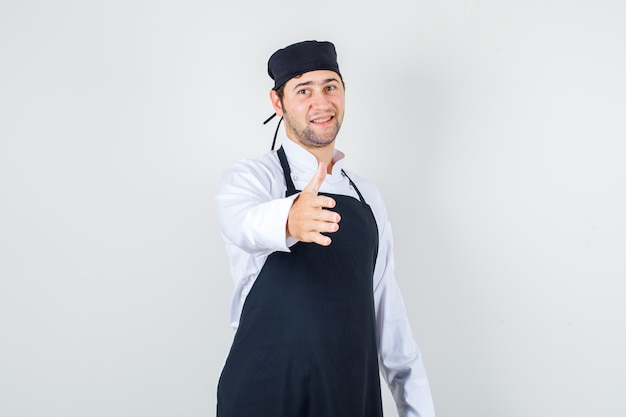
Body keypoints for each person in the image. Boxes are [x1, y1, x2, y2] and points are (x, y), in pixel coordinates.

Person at [215, 40, 436, 417]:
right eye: (303, 90)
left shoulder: (367, 197)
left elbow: (387, 315)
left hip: (349, 396)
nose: (321, 103)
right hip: (264, 395)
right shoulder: (252, 179)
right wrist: (290, 219)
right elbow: (241, 225)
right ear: (277, 103)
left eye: (330, 86)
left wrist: (417, 410)